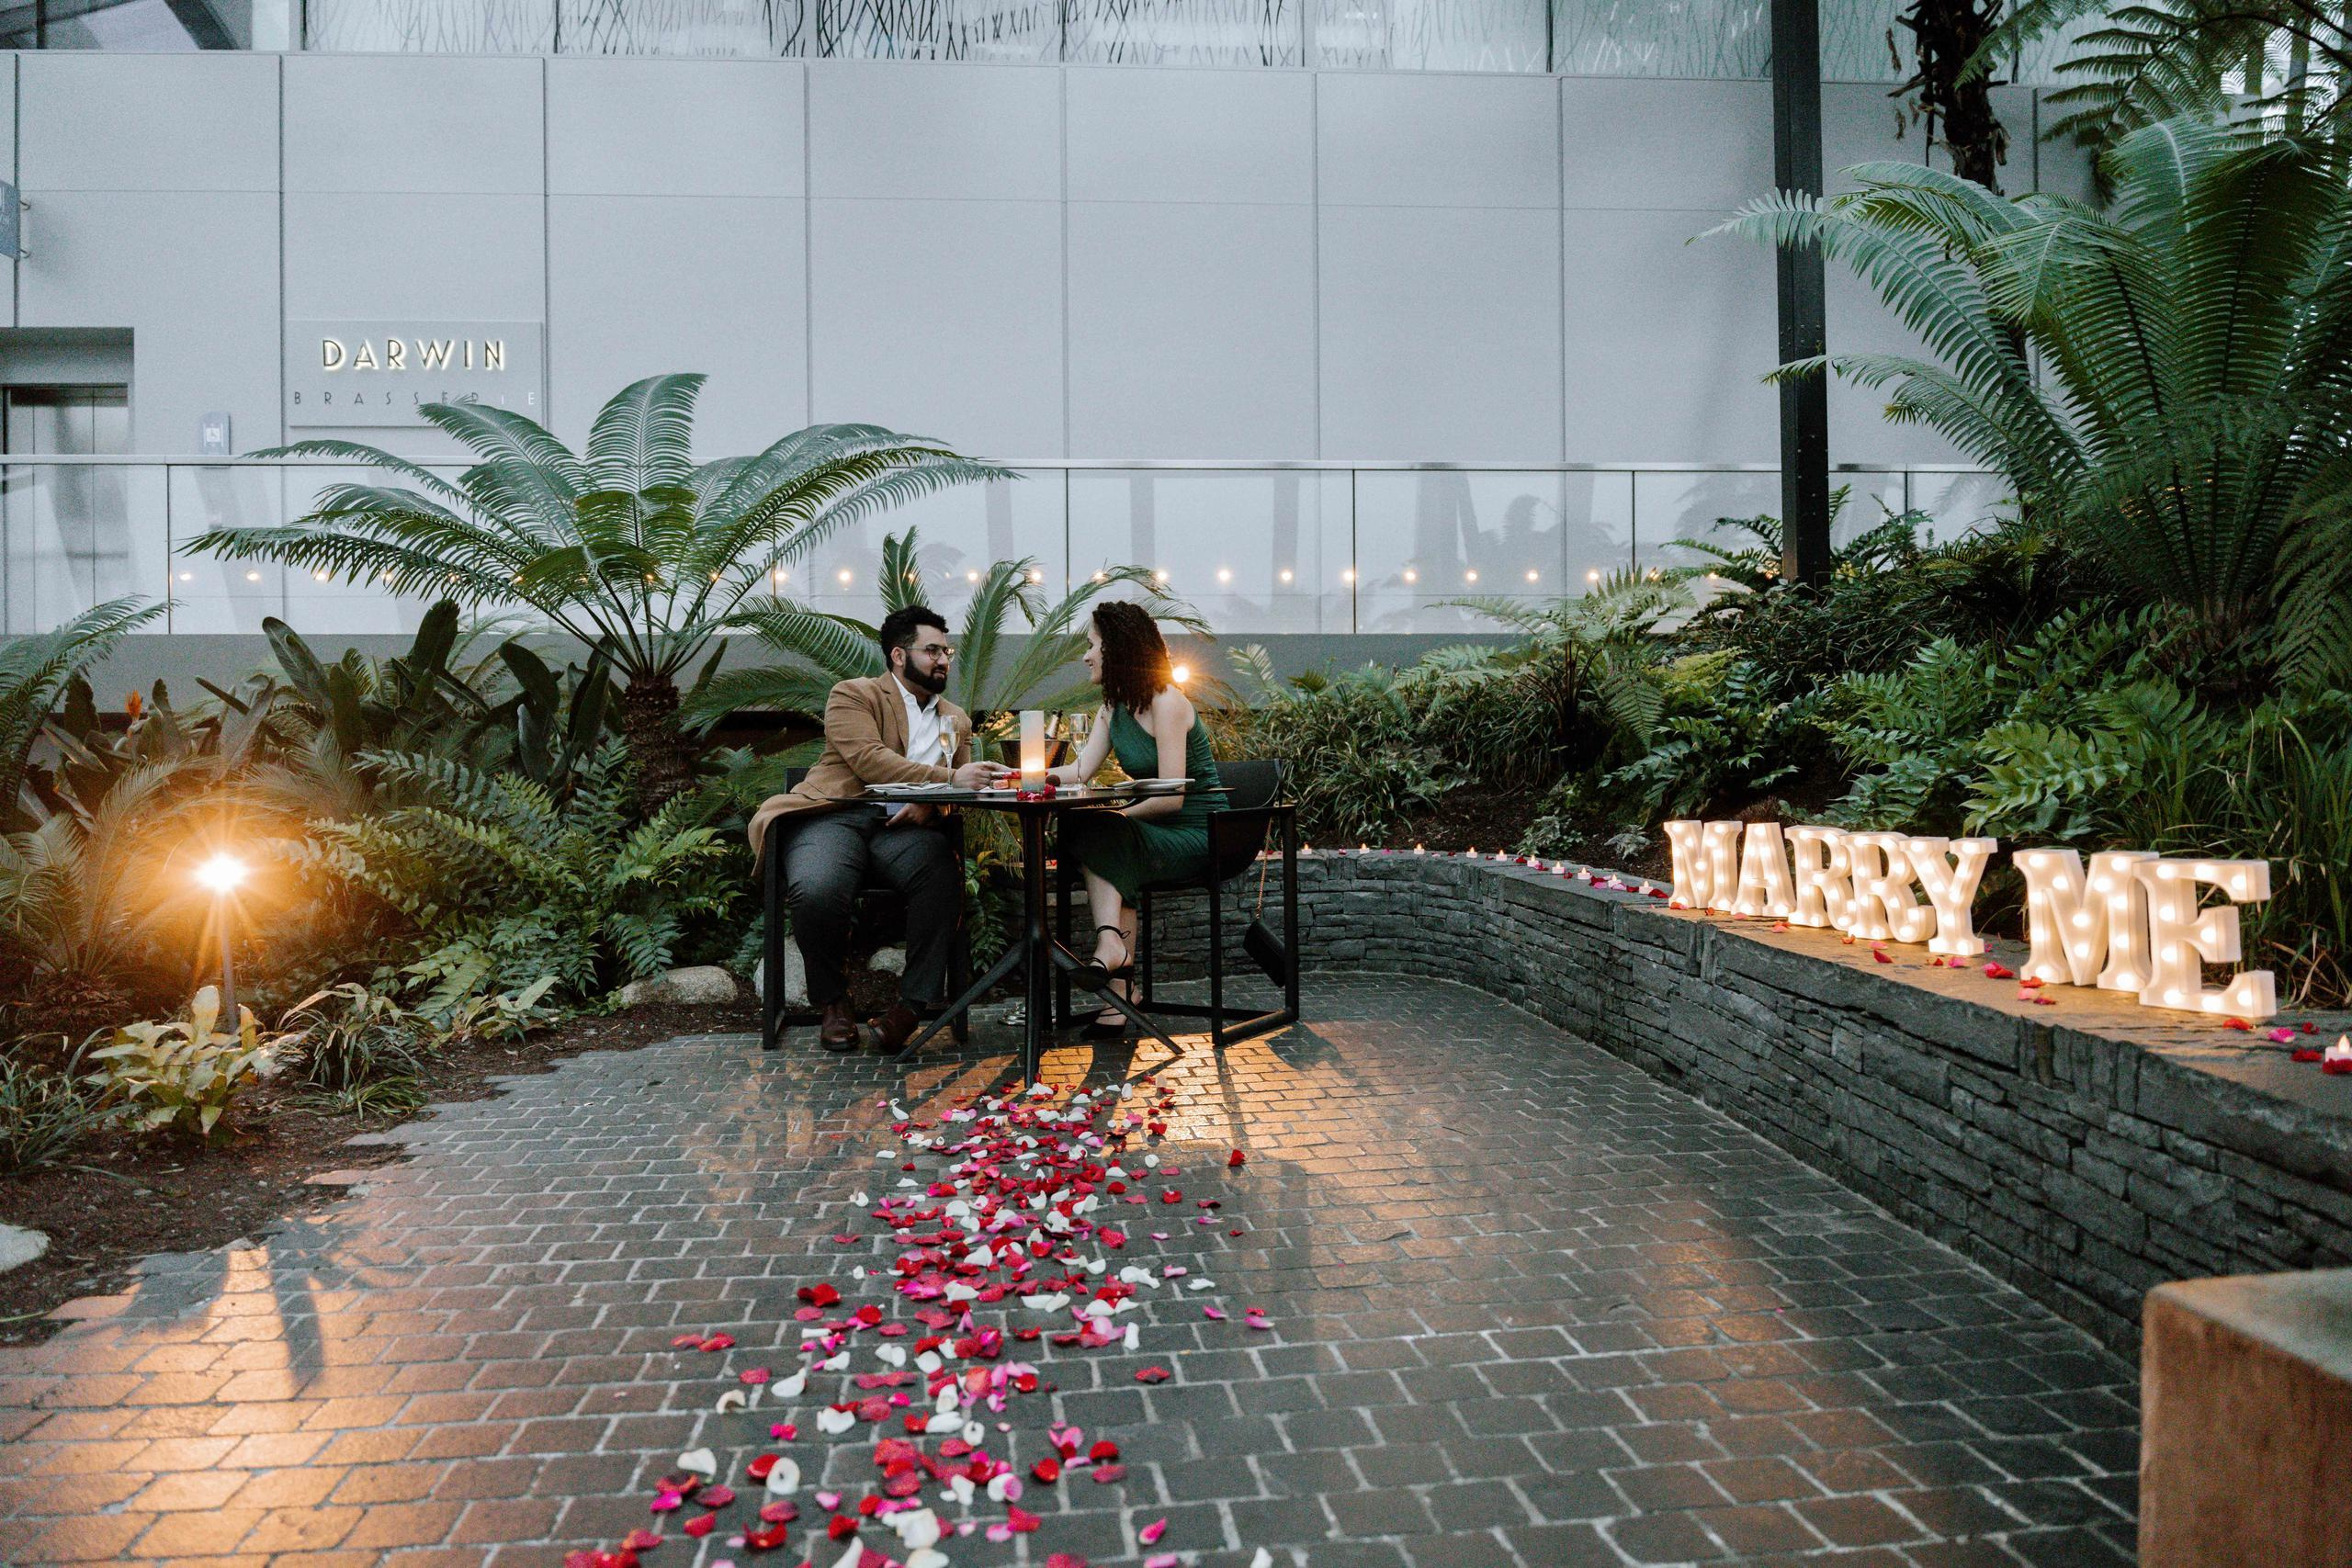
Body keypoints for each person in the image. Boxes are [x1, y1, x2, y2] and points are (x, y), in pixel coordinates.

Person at [748, 605, 1011, 1053]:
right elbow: (870, 760)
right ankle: (833, 1001)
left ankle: (911, 1008)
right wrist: (948, 780)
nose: (943, 660)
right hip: (836, 814)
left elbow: (963, 793)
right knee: (816, 888)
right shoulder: (854, 694)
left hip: (904, 829)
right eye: (932, 651)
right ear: (898, 655)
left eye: (946, 652)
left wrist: (934, 807)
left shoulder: (956, 719)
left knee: (942, 877)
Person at [1048, 600, 1226, 1037]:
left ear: (1117, 649)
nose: (1086, 656)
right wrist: (1021, 774)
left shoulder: (1167, 702)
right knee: (1096, 833)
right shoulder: (1114, 707)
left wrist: (1117, 815)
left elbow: (1172, 797)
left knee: (1107, 832)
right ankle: (1115, 963)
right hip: (1150, 833)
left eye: (1092, 645)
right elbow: (1079, 771)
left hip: (1202, 832)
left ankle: (1116, 967)